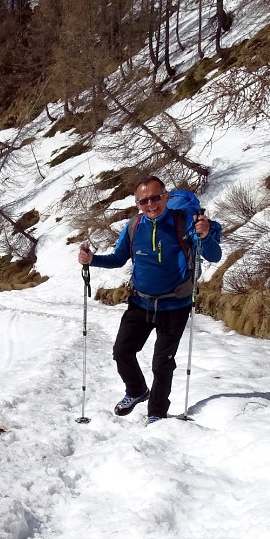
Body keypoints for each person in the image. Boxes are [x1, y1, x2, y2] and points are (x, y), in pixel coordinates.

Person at [77, 176, 222, 423]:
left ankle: (156, 412)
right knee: (122, 351)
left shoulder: (186, 222)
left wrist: (206, 235)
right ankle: (136, 391)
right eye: (144, 200)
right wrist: (93, 260)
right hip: (140, 302)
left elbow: (214, 255)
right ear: (137, 204)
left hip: (174, 305)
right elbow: (119, 258)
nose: (151, 204)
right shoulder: (134, 226)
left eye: (156, 197)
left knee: (162, 363)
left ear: (166, 196)